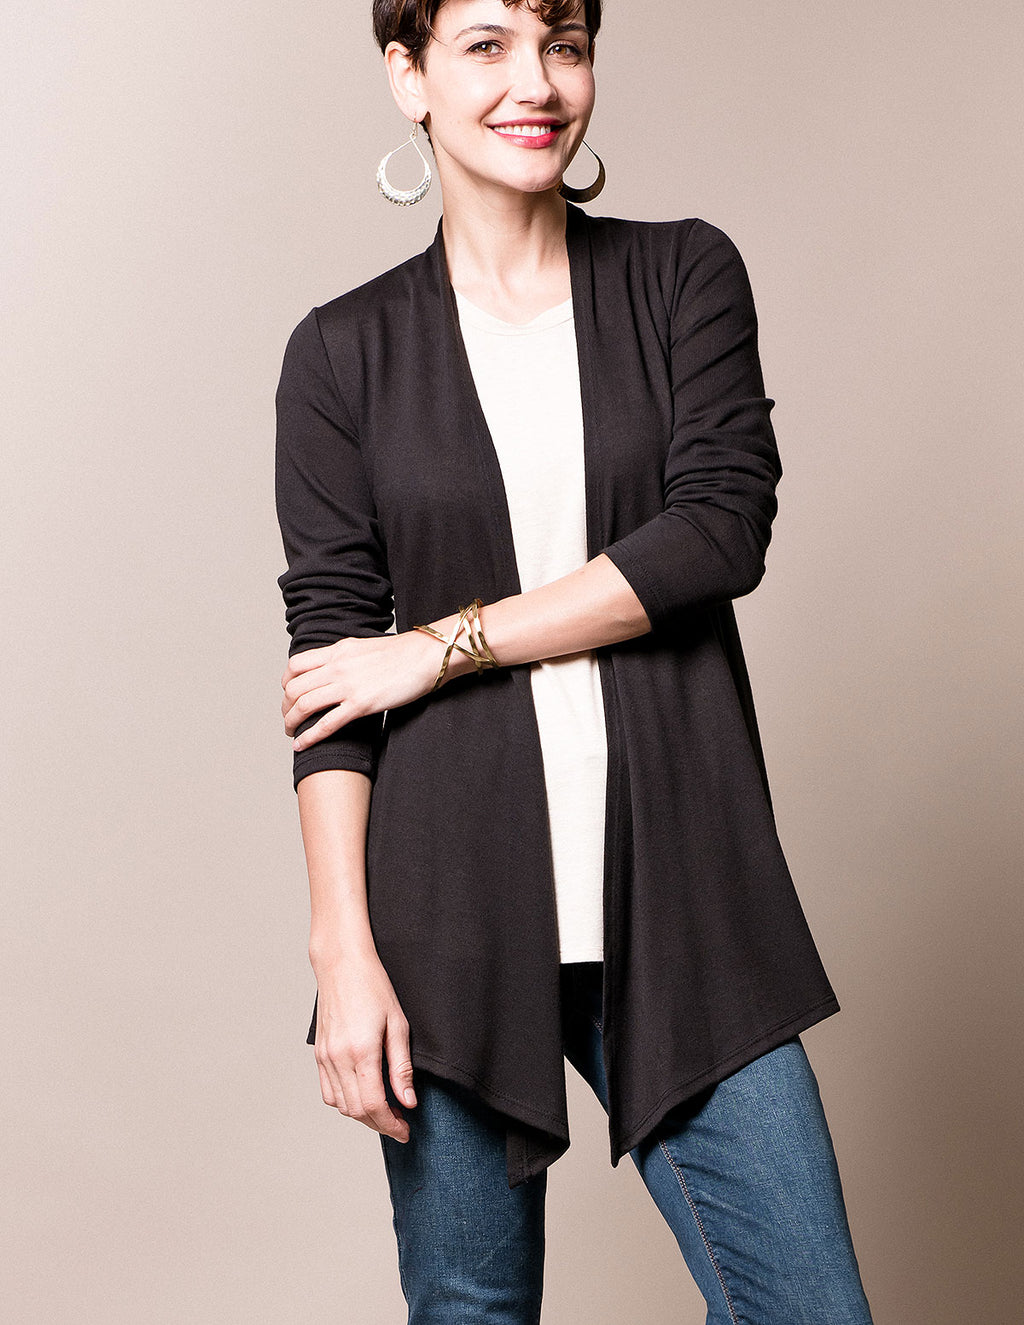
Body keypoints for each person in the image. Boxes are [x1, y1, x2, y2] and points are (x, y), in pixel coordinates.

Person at [274, 1, 875, 1320]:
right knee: (469, 1312)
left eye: (563, 42)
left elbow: (716, 533)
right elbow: (330, 670)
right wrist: (341, 955)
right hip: (446, 916)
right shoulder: (342, 355)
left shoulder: (681, 277)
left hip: (679, 891)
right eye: (485, 45)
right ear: (408, 76)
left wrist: (441, 646)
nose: (535, 83)